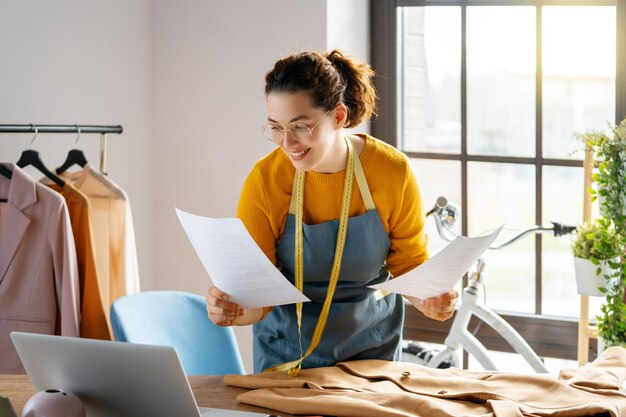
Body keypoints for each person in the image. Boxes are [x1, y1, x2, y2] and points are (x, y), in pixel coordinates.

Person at [206, 49, 458, 374]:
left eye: (300, 127)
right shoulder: (266, 181)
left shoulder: (391, 172)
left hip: (372, 358)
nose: (287, 143)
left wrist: (429, 299)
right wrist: (232, 310)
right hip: (288, 360)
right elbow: (258, 296)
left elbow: (408, 264)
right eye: (276, 128)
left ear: (338, 117)